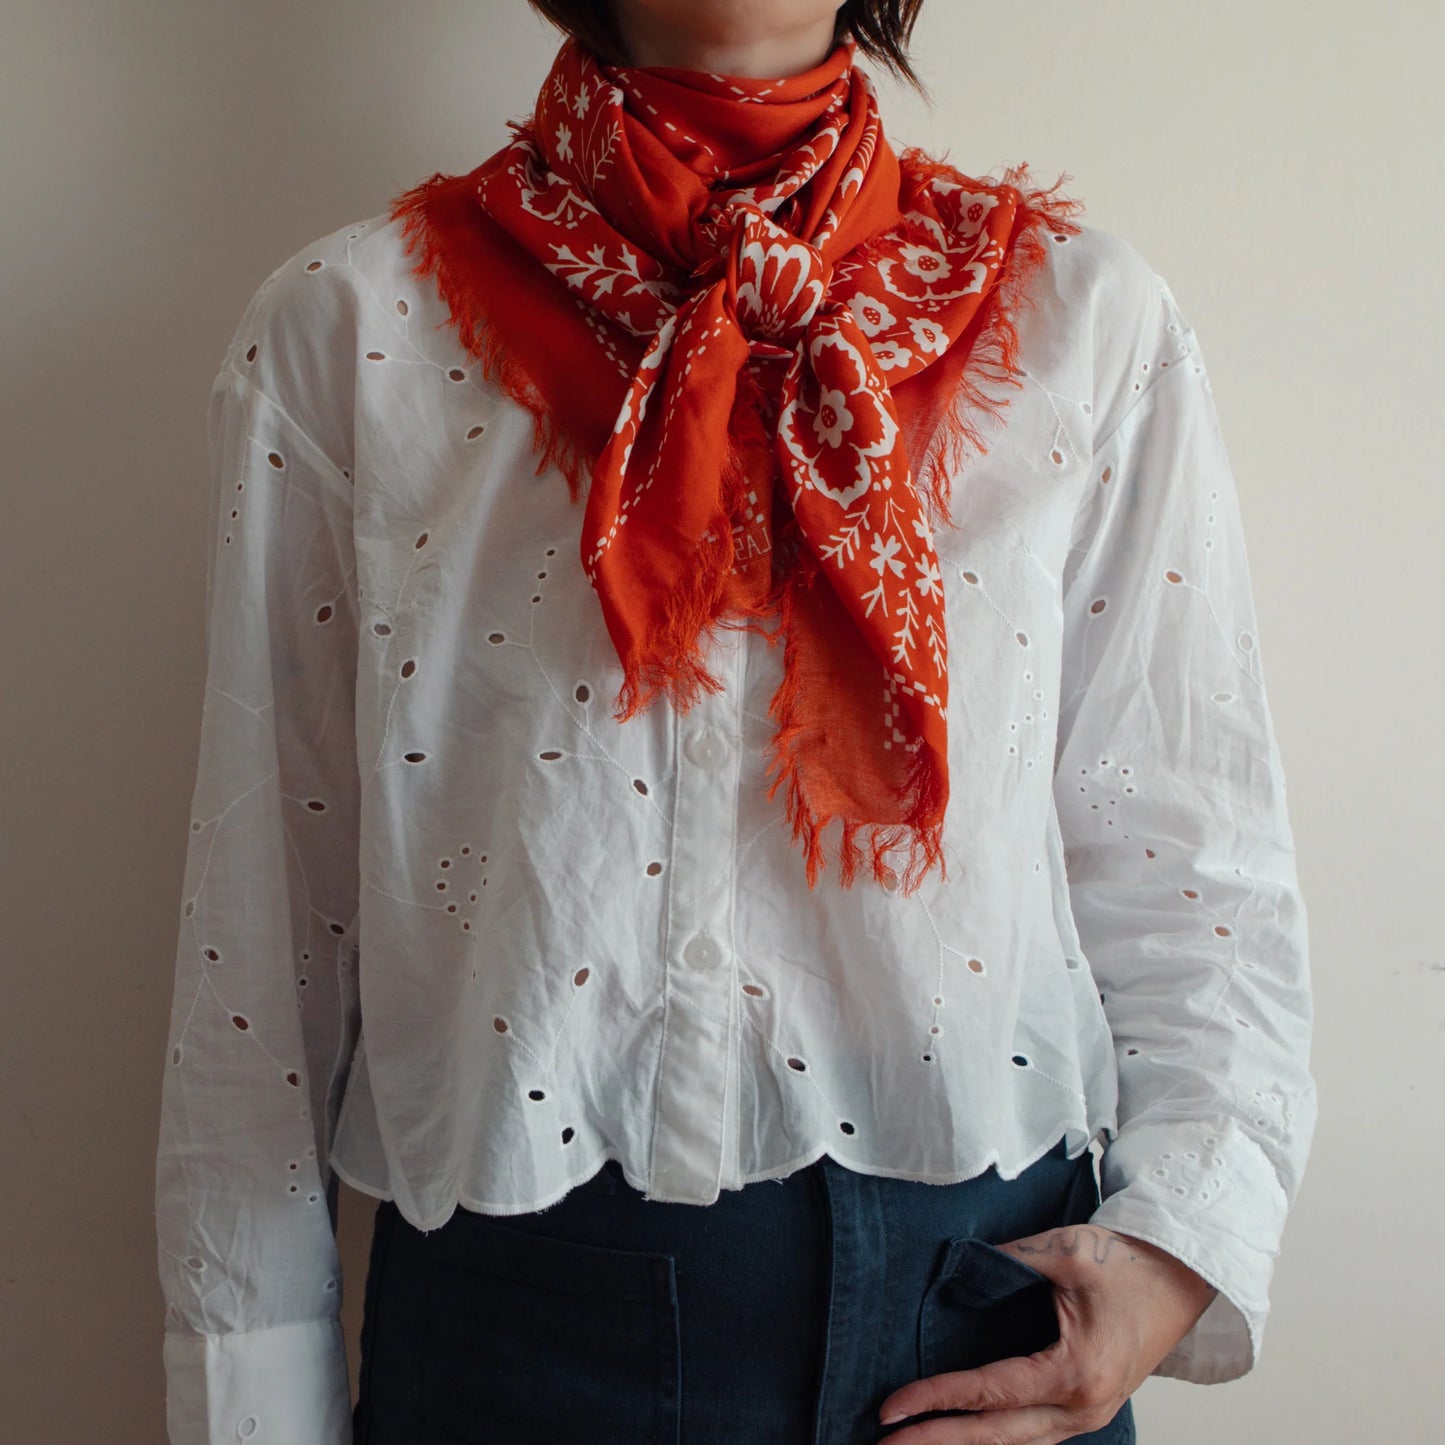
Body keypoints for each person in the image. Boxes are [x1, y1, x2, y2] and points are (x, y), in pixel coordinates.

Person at [153, 2, 1317, 1442]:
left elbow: (1187, 853)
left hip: (987, 1312)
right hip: (521, 1344)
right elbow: (264, 938)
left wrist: (1185, 1241)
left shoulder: (1083, 323)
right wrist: (248, 1404)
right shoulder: (354, 330)